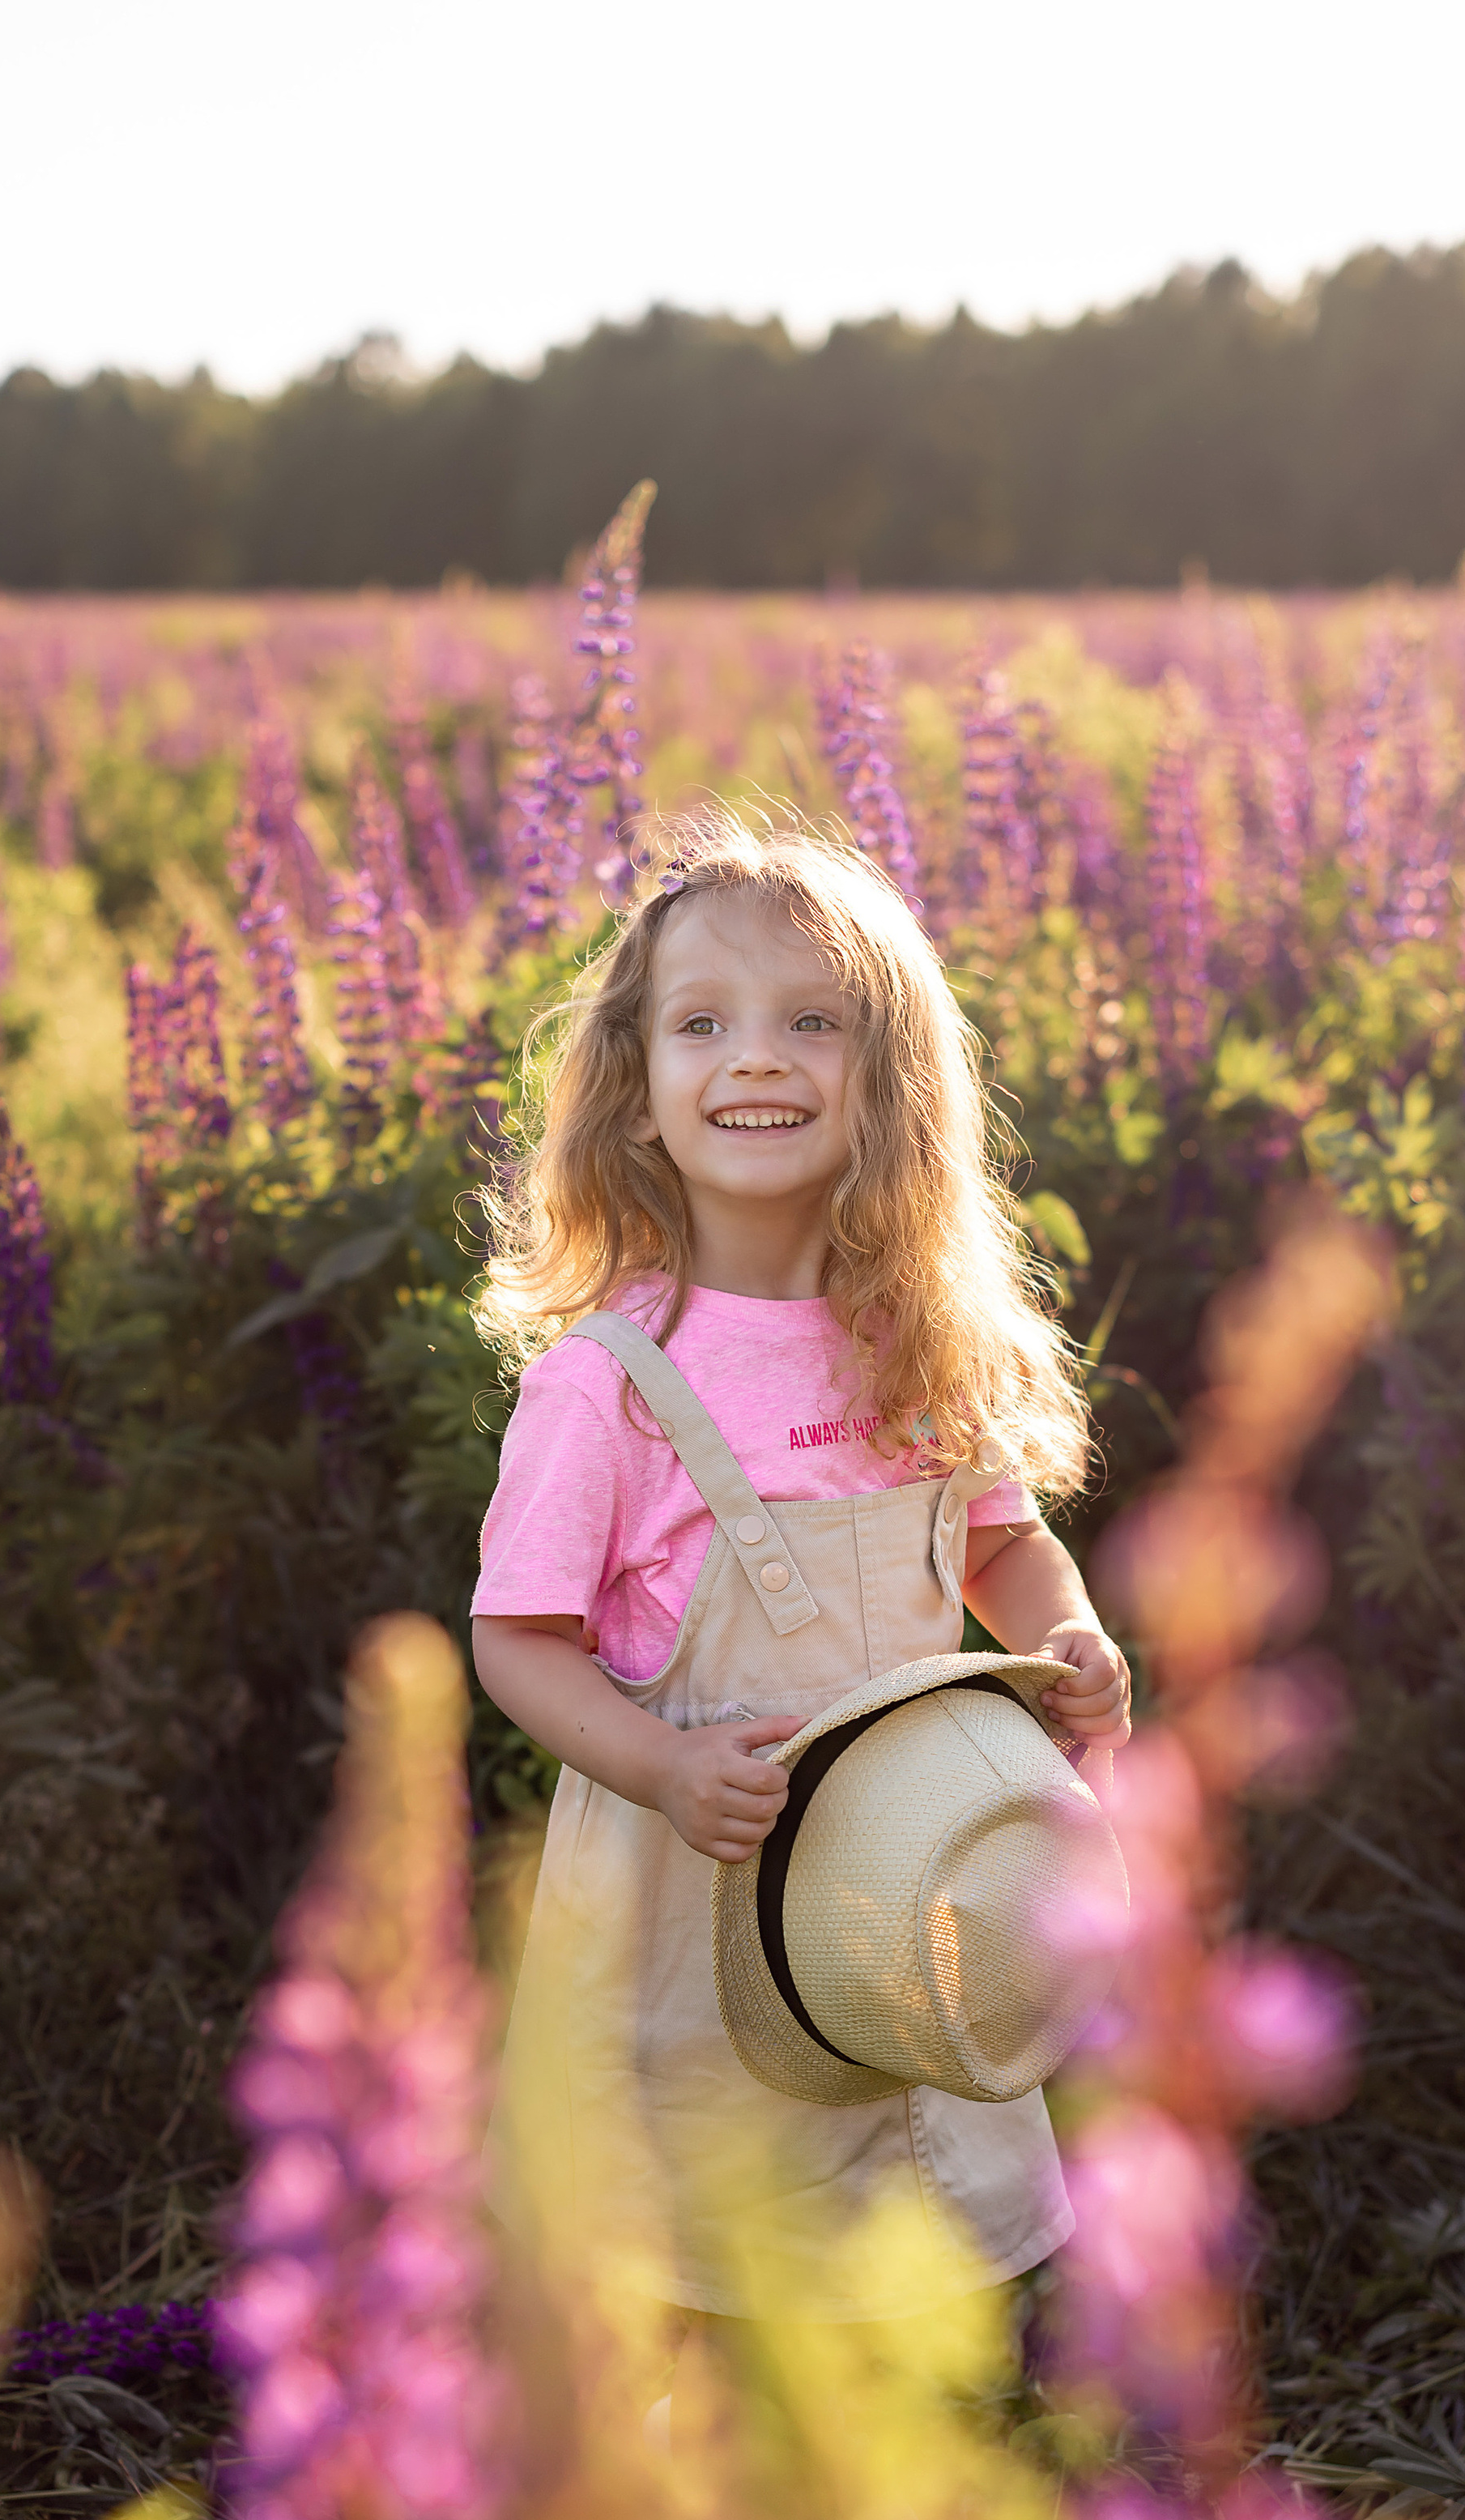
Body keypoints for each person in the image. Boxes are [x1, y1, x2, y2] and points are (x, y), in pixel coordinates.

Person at [471, 813, 1131, 2336]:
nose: (755, 1059)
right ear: (637, 1094)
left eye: (809, 1024)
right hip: (691, 1885)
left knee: (900, 2235)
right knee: (698, 2243)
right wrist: (660, 1763)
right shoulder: (608, 1381)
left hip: (902, 1885)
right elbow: (520, 1642)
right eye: (704, 1025)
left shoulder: (912, 1341)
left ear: (888, 1088)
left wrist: (1072, 1640)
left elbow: (1001, 1542)